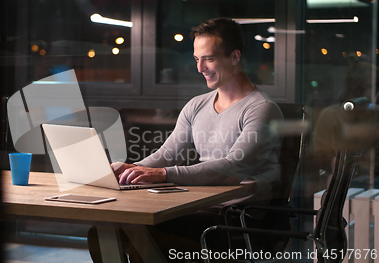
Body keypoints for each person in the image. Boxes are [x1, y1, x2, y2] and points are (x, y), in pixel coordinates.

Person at [88, 17, 284, 262]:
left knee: (137, 231)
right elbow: (168, 154)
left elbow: (233, 168)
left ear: (235, 57)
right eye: (196, 59)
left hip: (236, 217)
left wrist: (165, 174)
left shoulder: (261, 108)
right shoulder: (196, 105)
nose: (200, 67)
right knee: (104, 231)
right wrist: (132, 169)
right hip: (199, 205)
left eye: (209, 58)